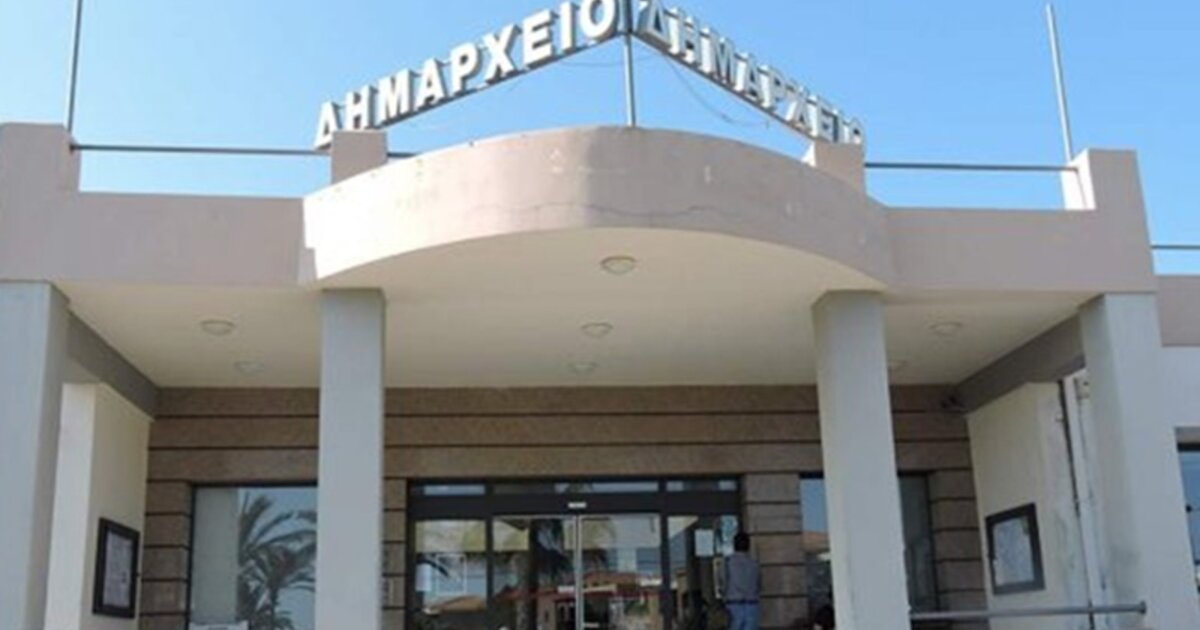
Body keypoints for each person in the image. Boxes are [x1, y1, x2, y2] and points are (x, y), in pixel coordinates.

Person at [725, 532, 760, 630]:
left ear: (734, 545)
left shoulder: (728, 562)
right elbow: (759, 584)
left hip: (734, 603)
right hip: (752, 603)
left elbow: (723, 582)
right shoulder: (754, 564)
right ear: (748, 546)